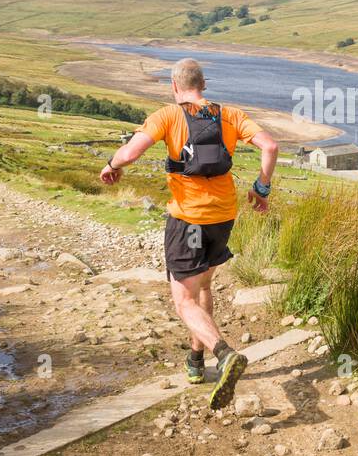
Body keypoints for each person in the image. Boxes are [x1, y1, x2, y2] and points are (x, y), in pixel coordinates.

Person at [100, 57, 278, 409]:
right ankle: (196, 362)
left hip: (189, 221)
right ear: (204, 85)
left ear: (174, 86)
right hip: (223, 216)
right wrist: (261, 188)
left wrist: (111, 166)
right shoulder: (229, 114)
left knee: (184, 300)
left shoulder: (167, 115)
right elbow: (270, 147)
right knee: (204, 286)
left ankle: (224, 354)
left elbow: (131, 152)